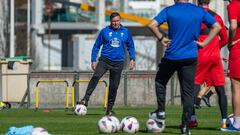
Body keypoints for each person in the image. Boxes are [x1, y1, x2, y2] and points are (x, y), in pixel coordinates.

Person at [147, 0, 221, 134]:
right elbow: (217, 27)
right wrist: (204, 43)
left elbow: (152, 25)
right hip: (190, 57)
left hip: (172, 56)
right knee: (187, 93)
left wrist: (161, 38)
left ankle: (161, 111)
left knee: (160, 81)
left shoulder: (169, 10)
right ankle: (186, 127)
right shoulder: (198, 11)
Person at [77, 12, 135, 116]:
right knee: (96, 76)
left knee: (114, 87)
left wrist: (132, 59)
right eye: (113, 21)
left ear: (120, 21)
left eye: (117, 21)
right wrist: (93, 60)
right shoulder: (104, 31)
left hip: (118, 63)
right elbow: (96, 46)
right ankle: (85, 99)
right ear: (110, 22)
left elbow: (130, 46)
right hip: (105, 60)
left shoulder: (126, 32)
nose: (115, 23)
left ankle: (109, 109)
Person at [222, 0, 240, 132]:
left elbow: (233, 26)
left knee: (236, 87)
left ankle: (237, 123)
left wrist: (230, 42)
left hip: (238, 50)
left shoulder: (233, 5)